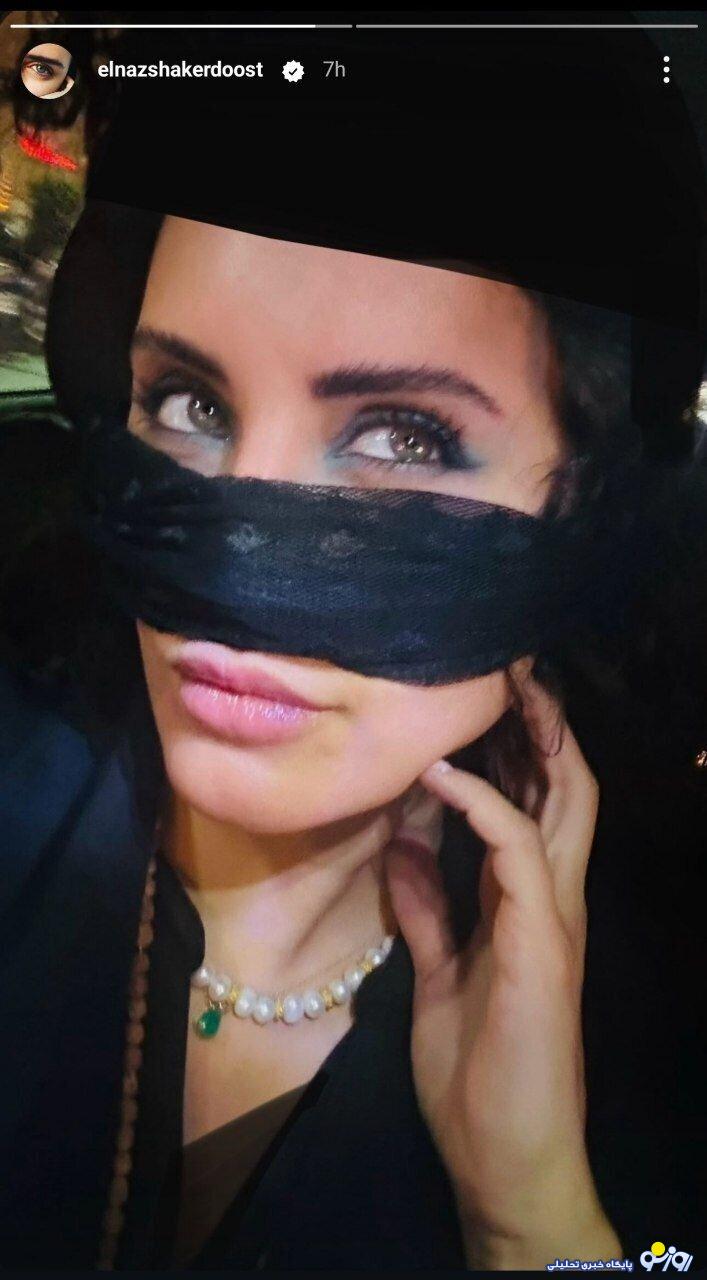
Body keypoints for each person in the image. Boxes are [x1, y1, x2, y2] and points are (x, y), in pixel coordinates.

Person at [1, 196, 705, 1273]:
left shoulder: (654, 1041)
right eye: (190, 403)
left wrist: (533, 1220)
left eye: (402, 437)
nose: (233, 573)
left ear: (581, 517)